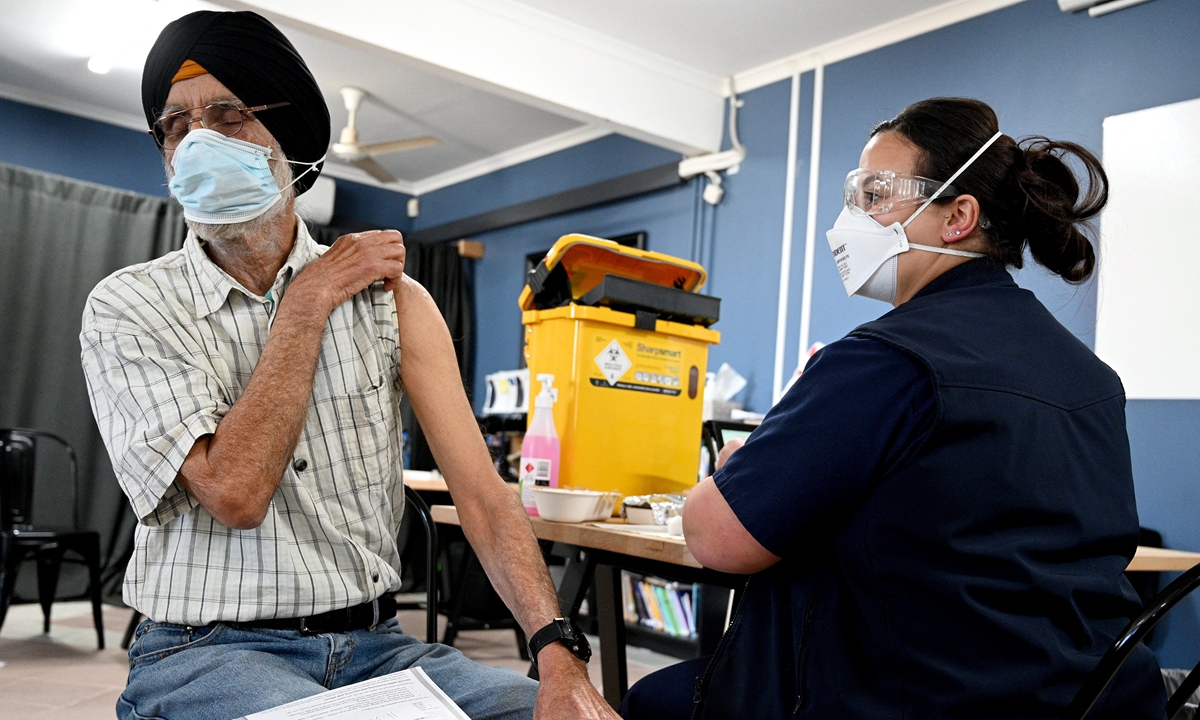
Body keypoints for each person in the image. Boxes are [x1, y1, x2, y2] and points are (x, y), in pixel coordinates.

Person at [80, 11, 617, 720]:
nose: (196, 141)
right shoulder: (128, 306)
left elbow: (485, 499)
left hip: (377, 645)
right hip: (203, 652)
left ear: (290, 137)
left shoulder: (396, 302)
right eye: (175, 127)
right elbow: (236, 492)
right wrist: (307, 302)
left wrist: (560, 655)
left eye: (229, 114)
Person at [620, 97, 1165, 719]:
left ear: (959, 215)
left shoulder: (885, 360)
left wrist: (729, 470)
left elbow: (717, 539)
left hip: (908, 697)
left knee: (650, 698)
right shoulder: (1093, 378)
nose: (854, 216)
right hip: (1072, 701)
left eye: (876, 194)